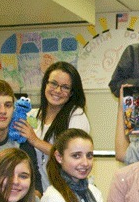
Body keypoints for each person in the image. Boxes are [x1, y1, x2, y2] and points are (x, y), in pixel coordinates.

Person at [14, 61, 90, 191]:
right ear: (45, 84)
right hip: (36, 190)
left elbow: (73, 155)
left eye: (65, 87)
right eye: (53, 83)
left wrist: (35, 141)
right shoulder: (32, 115)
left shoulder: (76, 115)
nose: (58, 90)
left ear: (71, 92)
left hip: (66, 191)